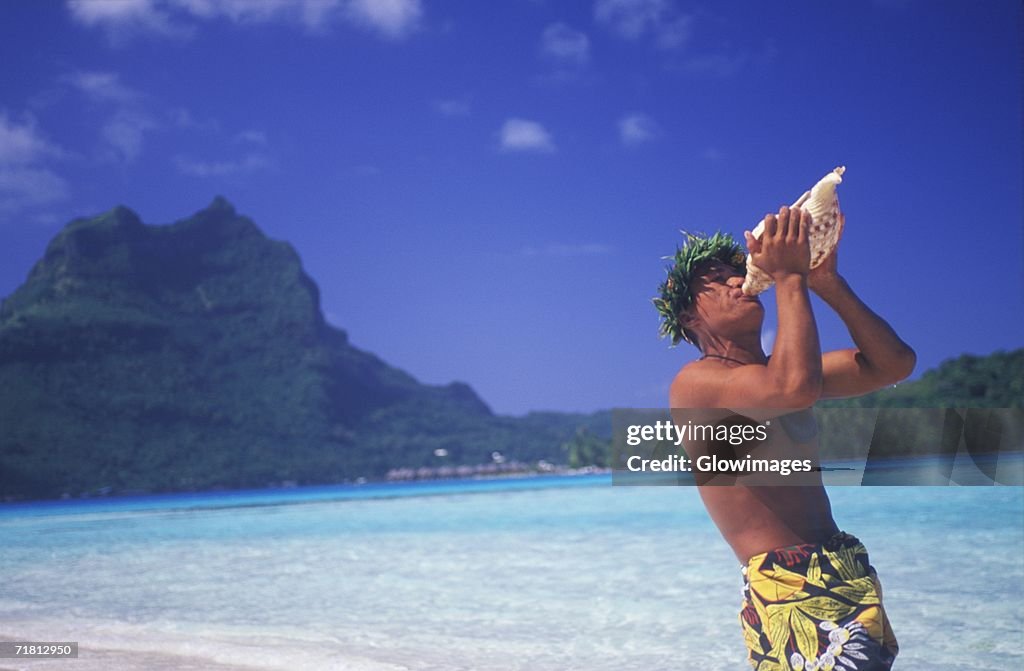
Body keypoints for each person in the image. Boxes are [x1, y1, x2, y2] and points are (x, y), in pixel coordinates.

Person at [653, 206, 915, 671]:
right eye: (717, 280)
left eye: (740, 272)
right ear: (690, 315)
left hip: (842, 568)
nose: (739, 282)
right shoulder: (696, 385)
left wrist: (826, 282)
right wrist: (791, 278)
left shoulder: (779, 371)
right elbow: (792, 391)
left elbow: (893, 364)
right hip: (788, 585)